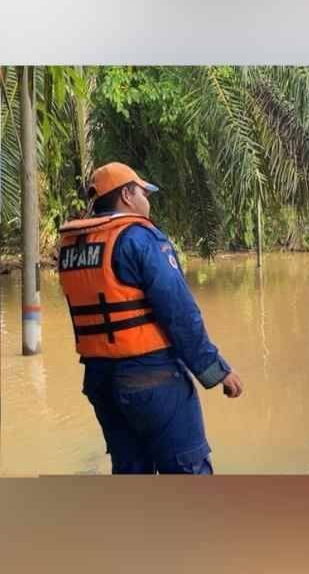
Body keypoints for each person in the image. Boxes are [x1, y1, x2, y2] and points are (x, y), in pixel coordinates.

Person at [57, 162, 243, 475]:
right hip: (150, 378)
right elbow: (179, 312)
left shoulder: (72, 246)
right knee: (188, 471)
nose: (148, 200)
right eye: (143, 192)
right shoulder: (138, 238)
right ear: (127, 196)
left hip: (100, 381)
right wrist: (216, 370)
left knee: (130, 471)